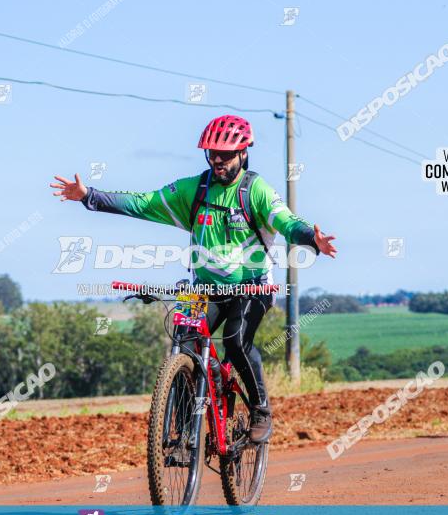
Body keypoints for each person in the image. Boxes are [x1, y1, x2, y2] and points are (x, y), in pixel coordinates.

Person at [51, 115, 337, 442]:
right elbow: (143, 203)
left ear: (243, 153)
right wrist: (90, 196)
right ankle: (186, 431)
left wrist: (310, 238)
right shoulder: (194, 190)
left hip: (254, 288)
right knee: (183, 344)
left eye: (225, 155)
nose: (217, 161)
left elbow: (286, 222)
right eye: (211, 154)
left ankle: (260, 408)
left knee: (234, 339)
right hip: (201, 288)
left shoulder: (255, 190)